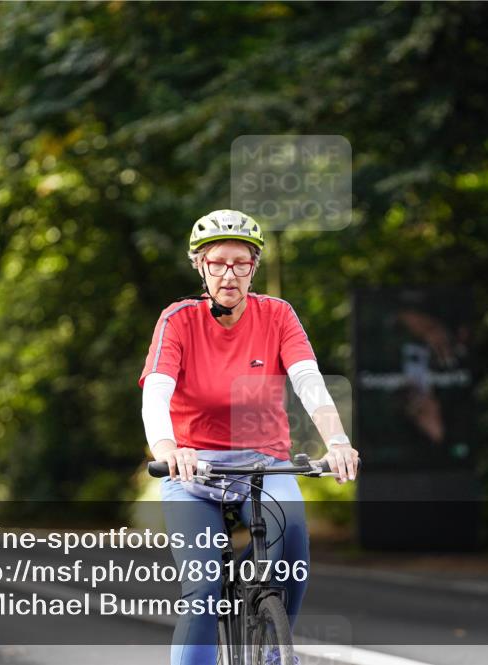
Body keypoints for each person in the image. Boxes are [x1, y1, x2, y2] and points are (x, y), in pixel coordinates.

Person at [139, 210, 359, 665]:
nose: (229, 274)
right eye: (218, 263)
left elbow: (308, 382)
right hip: (193, 472)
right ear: (200, 266)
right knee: (203, 589)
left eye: (241, 263)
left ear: (253, 267)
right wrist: (168, 449)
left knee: (292, 541)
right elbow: (156, 393)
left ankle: (276, 648)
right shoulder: (177, 320)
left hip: (262, 465)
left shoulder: (277, 315)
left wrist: (337, 441)